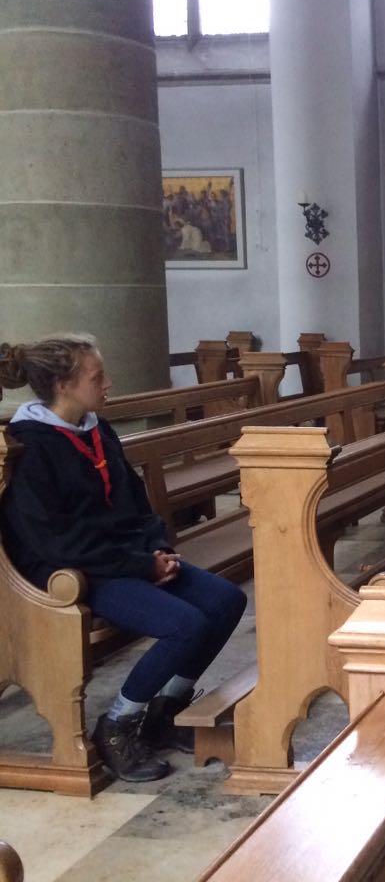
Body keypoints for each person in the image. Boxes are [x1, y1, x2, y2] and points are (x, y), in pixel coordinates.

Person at [0, 335, 247, 783]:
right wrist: (141, 565)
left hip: (126, 556)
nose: (108, 384)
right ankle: (117, 724)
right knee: (185, 624)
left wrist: (157, 547)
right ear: (63, 384)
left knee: (226, 600)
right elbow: (53, 541)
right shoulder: (31, 446)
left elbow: (135, 497)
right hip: (76, 570)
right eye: (97, 377)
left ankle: (165, 711)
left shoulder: (97, 428)